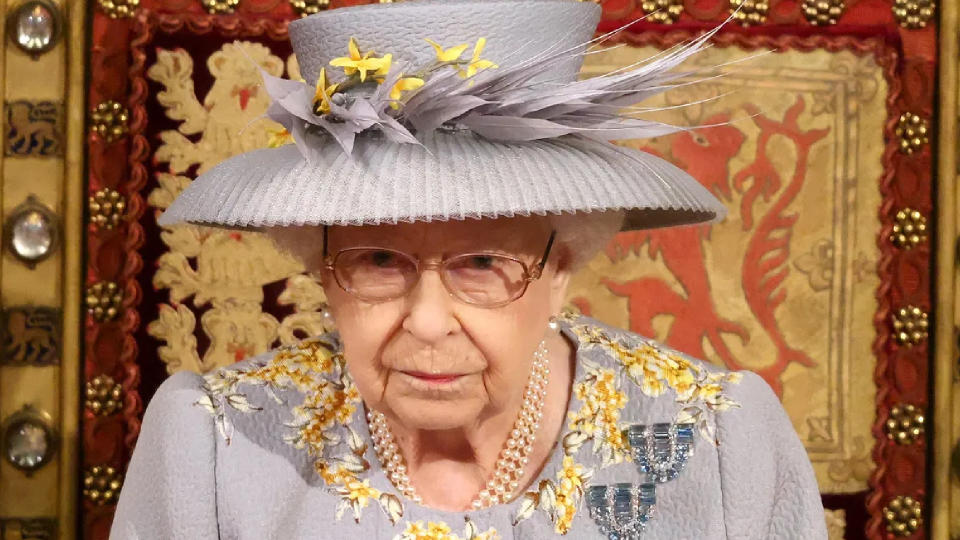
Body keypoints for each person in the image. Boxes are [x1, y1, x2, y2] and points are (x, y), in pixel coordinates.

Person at [111, 0, 827, 538]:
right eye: (378, 261)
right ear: (321, 269)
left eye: (483, 263)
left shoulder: (719, 443)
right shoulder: (211, 449)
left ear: (562, 268)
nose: (425, 321)